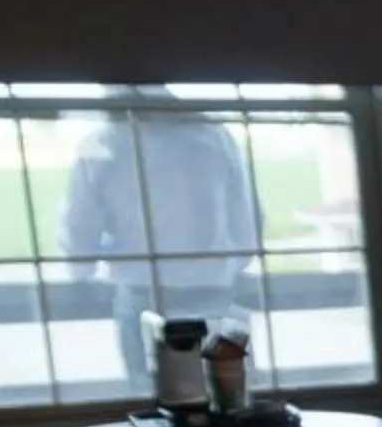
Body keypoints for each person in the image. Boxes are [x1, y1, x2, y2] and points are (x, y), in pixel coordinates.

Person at [56, 91, 258, 387]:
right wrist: (233, 263)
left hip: (142, 288)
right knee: (226, 391)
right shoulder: (214, 136)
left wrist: (80, 272)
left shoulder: (106, 142)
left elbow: (80, 221)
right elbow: (245, 214)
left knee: (153, 398)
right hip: (212, 285)